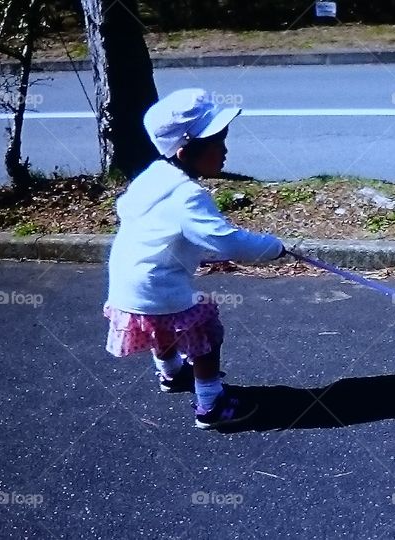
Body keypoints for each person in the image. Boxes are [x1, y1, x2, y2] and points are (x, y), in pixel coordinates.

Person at [103, 88, 284, 429]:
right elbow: (227, 242)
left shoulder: (154, 176)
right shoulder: (187, 197)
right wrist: (273, 248)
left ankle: (171, 374)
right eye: (218, 143)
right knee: (204, 334)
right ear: (185, 152)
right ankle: (210, 403)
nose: (225, 150)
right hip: (158, 286)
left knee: (162, 328)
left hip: (127, 282)